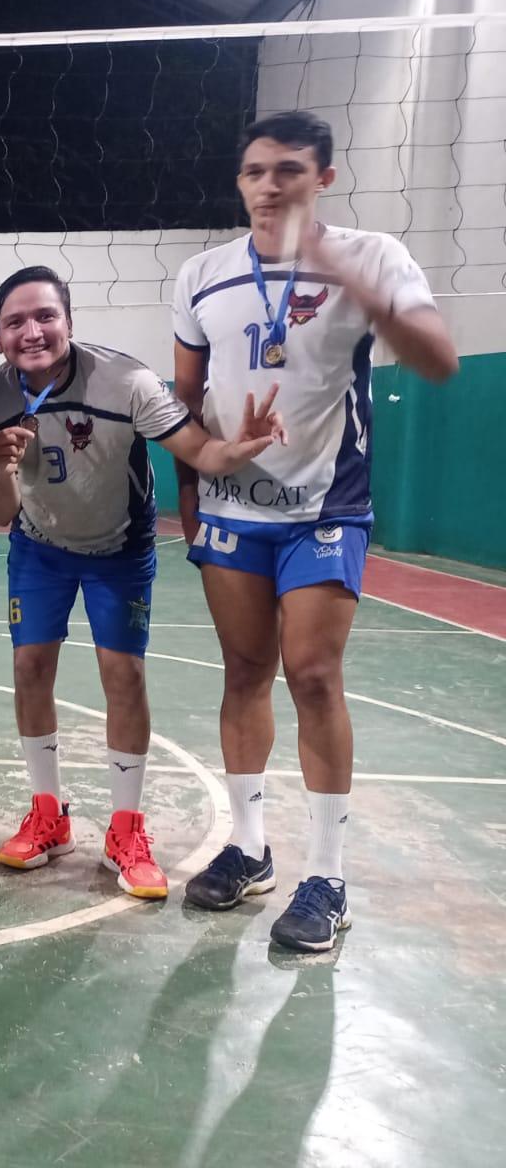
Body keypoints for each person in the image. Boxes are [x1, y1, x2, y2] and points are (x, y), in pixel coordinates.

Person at [171, 110, 459, 951]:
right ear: (240, 180)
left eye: (289, 170)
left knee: (314, 674)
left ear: (323, 178)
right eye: (256, 170)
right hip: (231, 506)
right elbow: (184, 402)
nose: (270, 185)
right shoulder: (202, 274)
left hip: (326, 505)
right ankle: (249, 846)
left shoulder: (373, 256)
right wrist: (197, 479)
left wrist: (346, 275)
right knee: (244, 671)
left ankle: (327, 871)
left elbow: (439, 360)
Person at [0, 265, 284, 900]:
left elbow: (199, 451)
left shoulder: (127, 381)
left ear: (68, 321)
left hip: (119, 547)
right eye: (15, 322)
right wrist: (3, 466)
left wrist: (242, 446)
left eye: (45, 316)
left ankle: (125, 828)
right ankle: (48, 815)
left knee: (124, 676)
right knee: (30, 666)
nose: (32, 331)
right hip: (39, 546)